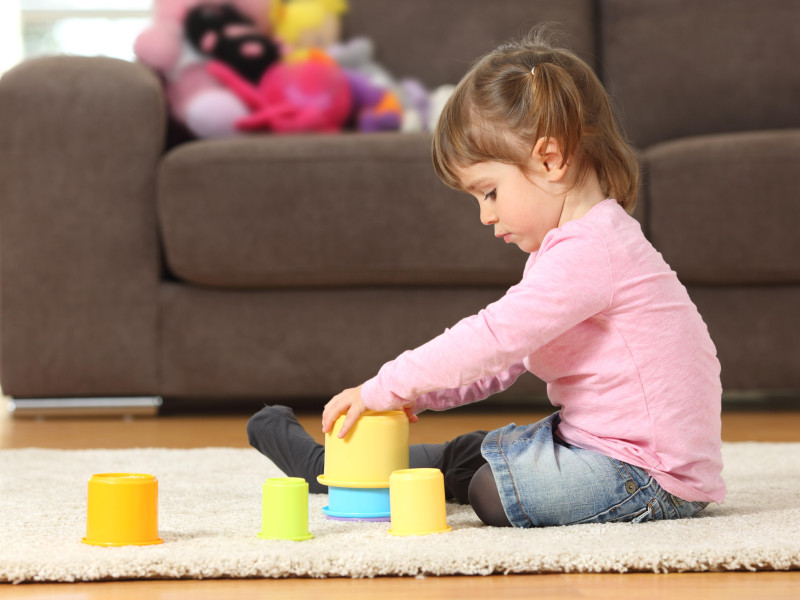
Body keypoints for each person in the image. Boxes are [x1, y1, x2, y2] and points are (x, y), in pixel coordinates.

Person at [247, 29, 726, 527]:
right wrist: (419, 394)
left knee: (492, 488)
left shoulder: (593, 250)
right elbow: (508, 360)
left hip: (648, 475)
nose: (484, 216)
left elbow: (493, 339)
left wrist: (385, 386)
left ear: (550, 159)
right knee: (470, 454)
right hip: (599, 448)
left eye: (489, 192)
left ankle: (348, 470)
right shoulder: (570, 251)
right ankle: (342, 469)